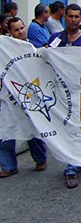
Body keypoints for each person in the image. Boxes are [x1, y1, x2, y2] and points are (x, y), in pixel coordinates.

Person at [48, 4, 81, 189]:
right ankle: (73, 160)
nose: (73, 20)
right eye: (70, 16)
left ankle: (71, 167)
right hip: (61, 92)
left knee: (77, 128)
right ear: (65, 18)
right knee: (65, 128)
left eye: (77, 16)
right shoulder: (56, 39)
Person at [0, 17, 48, 178]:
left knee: (33, 130)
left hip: (30, 95)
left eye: (22, 28)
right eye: (16, 29)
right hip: (9, 95)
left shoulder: (33, 46)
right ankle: (8, 165)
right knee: (7, 129)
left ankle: (40, 158)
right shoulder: (3, 49)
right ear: (10, 32)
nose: (20, 32)